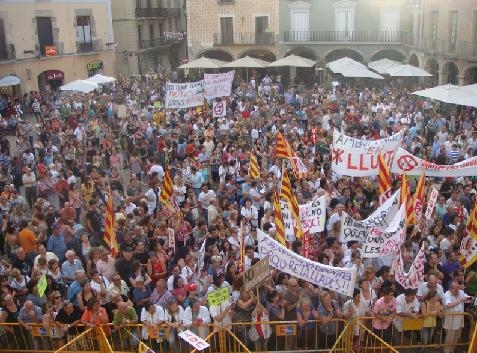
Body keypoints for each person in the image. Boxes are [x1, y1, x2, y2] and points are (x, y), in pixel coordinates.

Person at [442, 281, 471, 353]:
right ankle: (446, 351)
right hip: (450, 322)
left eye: (458, 288)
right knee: (449, 340)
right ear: (450, 288)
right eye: (455, 288)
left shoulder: (460, 292)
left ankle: (452, 351)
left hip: (459, 321)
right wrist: (460, 300)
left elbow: (468, 298)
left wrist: (471, 298)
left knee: (456, 339)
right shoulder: (447, 295)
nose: (457, 290)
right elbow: (449, 305)